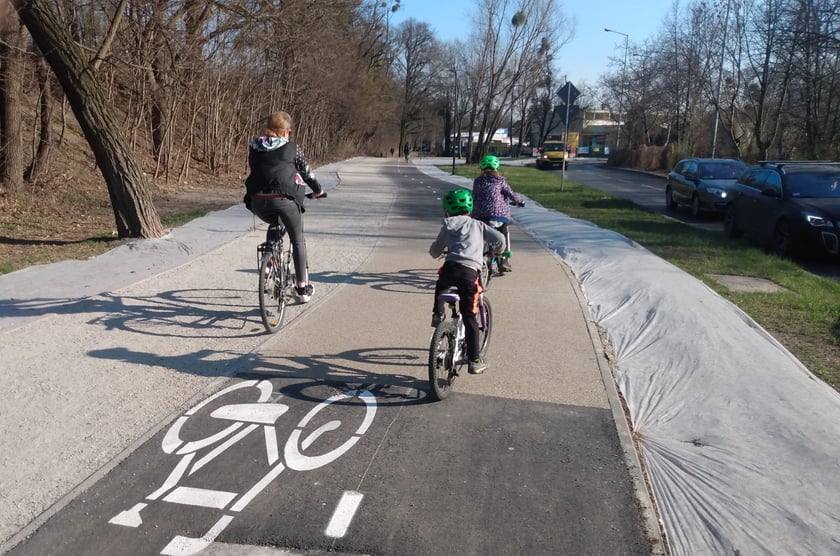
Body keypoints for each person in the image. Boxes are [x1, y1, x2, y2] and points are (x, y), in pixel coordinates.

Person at [244, 111, 325, 303]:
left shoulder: (255, 147)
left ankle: (270, 261)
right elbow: (306, 173)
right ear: (287, 131)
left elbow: (257, 170)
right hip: (284, 199)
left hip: (257, 200)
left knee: (274, 221)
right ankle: (302, 289)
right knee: (297, 238)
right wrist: (318, 191)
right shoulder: (292, 148)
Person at [429, 188, 504, 375]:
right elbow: (500, 239)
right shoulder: (478, 225)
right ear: (469, 210)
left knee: (441, 280)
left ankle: (437, 313)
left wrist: (439, 251)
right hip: (469, 274)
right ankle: (474, 360)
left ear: (447, 211)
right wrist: (497, 252)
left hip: (450, 269)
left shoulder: (447, 225)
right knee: (469, 317)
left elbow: (435, 252)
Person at [470, 154, 525, 273]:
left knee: (481, 234)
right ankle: (504, 259)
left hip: (480, 214)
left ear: (482, 168)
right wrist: (519, 202)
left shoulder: (478, 181)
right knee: (504, 231)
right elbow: (511, 194)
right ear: (497, 168)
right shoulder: (500, 180)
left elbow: (474, 195)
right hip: (499, 214)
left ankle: (478, 256)